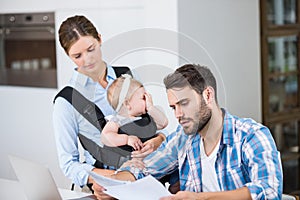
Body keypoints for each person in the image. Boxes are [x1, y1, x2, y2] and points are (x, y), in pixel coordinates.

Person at [92, 64, 283, 200]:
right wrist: (113, 185)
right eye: (173, 107)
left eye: (184, 103)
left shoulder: (251, 135)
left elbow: (269, 190)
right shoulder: (184, 138)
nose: (178, 114)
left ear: (208, 95)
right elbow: (144, 168)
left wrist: (202, 198)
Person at [52, 15, 166, 190]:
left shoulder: (129, 76)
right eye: (77, 56)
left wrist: (157, 141)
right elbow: (69, 164)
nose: (87, 59)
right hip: (102, 184)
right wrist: (110, 178)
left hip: (146, 175)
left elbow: (155, 125)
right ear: (68, 55)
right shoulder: (66, 101)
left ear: (99, 39)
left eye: (91, 49)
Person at [101, 74, 168, 151]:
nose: (147, 100)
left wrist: (151, 108)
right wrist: (126, 139)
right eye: (143, 97)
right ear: (127, 104)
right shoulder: (118, 120)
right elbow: (105, 137)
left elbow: (163, 123)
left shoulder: (148, 117)